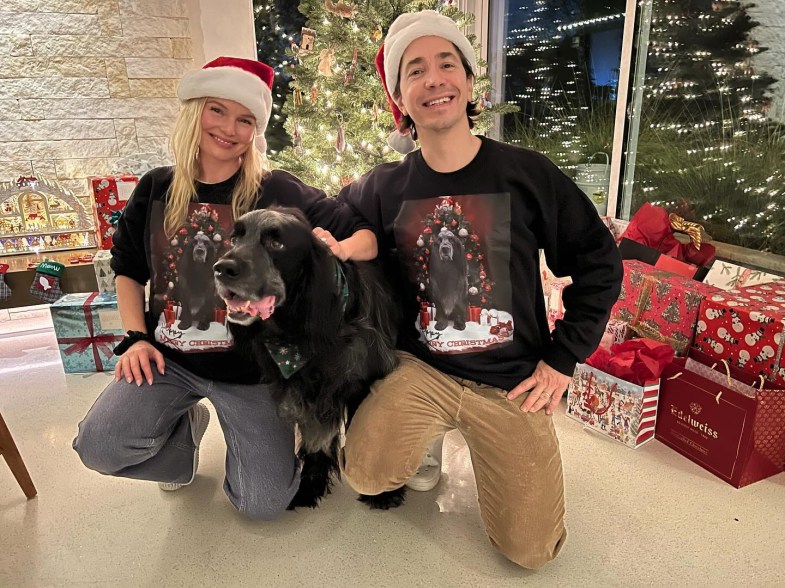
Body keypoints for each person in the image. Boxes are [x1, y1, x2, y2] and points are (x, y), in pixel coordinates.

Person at [337, 11, 623, 568]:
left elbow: (599, 263)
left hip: (510, 383)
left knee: (533, 552)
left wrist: (563, 360)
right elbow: (330, 222)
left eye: (447, 64)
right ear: (401, 96)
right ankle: (427, 439)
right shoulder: (383, 185)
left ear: (468, 81)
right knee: (365, 474)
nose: (434, 79)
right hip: (422, 369)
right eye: (415, 70)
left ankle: (483, 441)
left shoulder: (527, 175)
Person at [73, 57, 376, 520]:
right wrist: (135, 338)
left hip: (251, 373)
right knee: (98, 446)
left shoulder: (277, 189)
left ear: (255, 130)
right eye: (217, 110)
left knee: (263, 504)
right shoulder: (156, 187)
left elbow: (364, 236)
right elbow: (129, 270)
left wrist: (335, 248)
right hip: (168, 359)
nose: (229, 129)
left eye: (245, 119)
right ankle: (184, 433)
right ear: (195, 112)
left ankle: (243, 443)